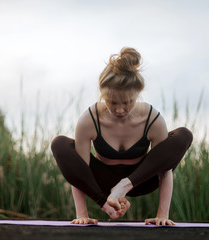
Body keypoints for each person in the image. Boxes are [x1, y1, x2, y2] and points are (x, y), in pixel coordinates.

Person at [51, 47, 193, 226]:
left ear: (137, 94)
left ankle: (123, 186)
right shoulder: (89, 120)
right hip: (101, 182)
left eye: (127, 102)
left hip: (141, 180)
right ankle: (106, 201)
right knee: (59, 144)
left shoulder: (152, 119)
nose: (119, 110)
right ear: (103, 95)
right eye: (112, 102)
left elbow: (164, 170)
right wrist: (84, 214)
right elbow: (78, 171)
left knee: (183, 135)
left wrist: (162, 215)